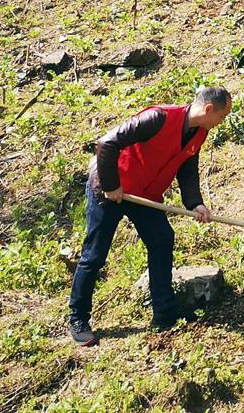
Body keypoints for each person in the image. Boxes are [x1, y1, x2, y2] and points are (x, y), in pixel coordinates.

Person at [68, 86, 231, 346]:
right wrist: (111, 186)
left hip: (144, 195)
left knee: (162, 240)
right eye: (222, 117)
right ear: (209, 109)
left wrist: (195, 204)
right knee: (95, 254)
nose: (221, 123)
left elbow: (188, 169)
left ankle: (164, 312)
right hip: (110, 189)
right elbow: (107, 143)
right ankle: (78, 318)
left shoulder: (198, 134)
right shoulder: (159, 118)